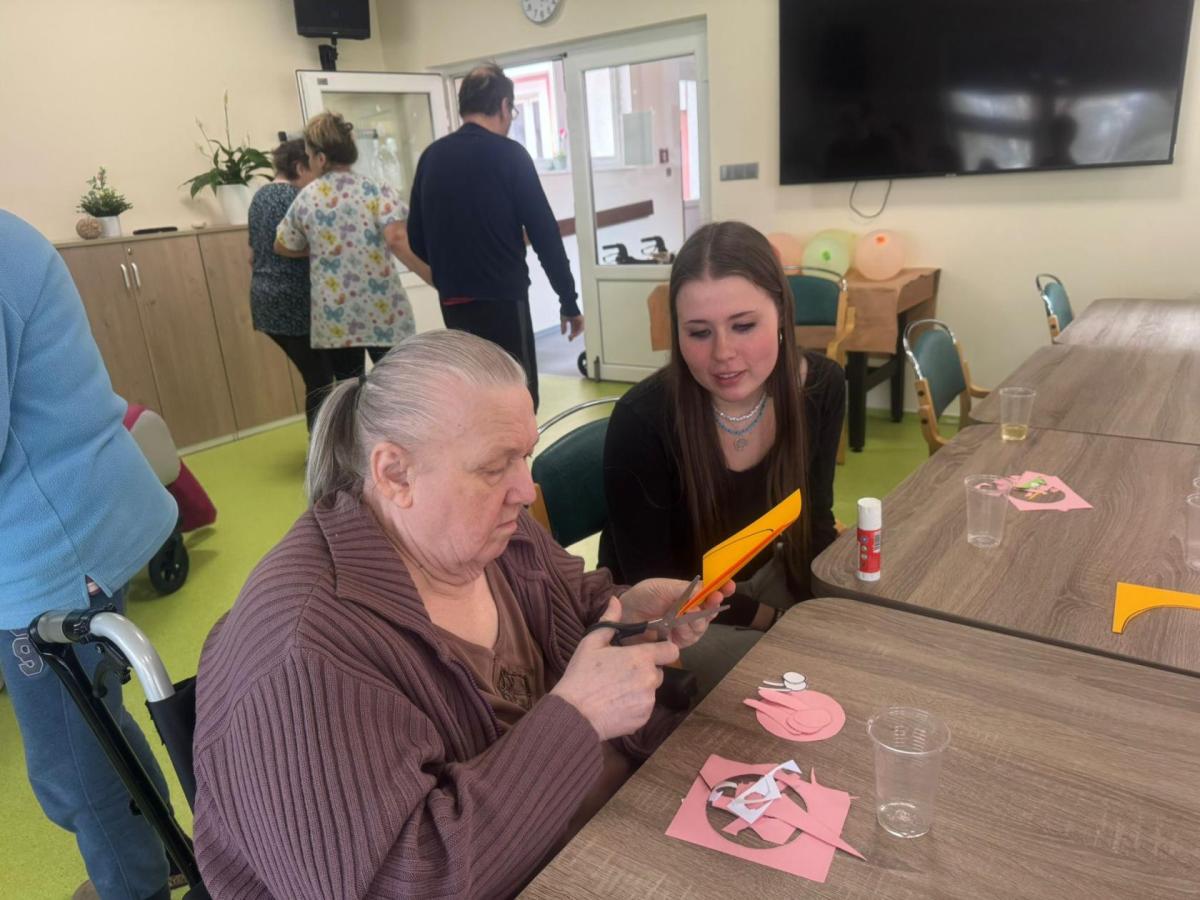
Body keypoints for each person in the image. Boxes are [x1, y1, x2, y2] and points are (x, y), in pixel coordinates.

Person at [192, 330, 729, 899]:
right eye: (496, 467)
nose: (527, 489)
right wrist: (576, 717)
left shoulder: (491, 535)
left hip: (612, 831)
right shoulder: (302, 654)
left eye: (526, 455)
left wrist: (628, 616)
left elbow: (575, 602)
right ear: (395, 474)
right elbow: (399, 884)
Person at [0, 211, 180, 900]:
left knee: (71, 767)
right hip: (65, 519)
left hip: (50, 546)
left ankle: (137, 887)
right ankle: (160, 858)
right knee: (93, 722)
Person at [599, 221, 845, 691]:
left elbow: (815, 520)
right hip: (679, 617)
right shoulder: (642, 420)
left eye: (744, 326)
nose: (723, 353)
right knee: (807, 681)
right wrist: (773, 620)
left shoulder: (822, 386)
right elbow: (658, 589)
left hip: (771, 576)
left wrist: (820, 612)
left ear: (782, 313)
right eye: (698, 332)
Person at [407, 63, 583, 411]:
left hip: (454, 301)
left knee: (473, 397)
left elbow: (416, 238)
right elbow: (545, 234)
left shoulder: (432, 157)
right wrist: (568, 300)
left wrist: (450, 272)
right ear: (504, 106)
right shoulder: (510, 155)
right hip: (503, 299)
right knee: (516, 395)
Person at [275, 111, 432, 380]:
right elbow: (399, 236)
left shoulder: (306, 199)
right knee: (396, 383)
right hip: (382, 307)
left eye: (309, 155)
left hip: (337, 314)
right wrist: (431, 275)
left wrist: (318, 248)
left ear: (320, 158)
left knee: (349, 387)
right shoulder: (376, 190)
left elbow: (282, 245)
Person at [248, 138, 328, 429]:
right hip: (291, 300)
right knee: (320, 377)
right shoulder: (293, 197)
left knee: (316, 374)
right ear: (299, 167)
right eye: (314, 171)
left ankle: (321, 440)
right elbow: (301, 244)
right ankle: (321, 445)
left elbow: (252, 254)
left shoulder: (260, 197)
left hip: (264, 298)